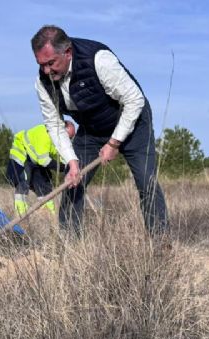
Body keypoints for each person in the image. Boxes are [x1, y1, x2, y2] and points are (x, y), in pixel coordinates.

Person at [31, 25, 168, 236]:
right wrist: (72, 161)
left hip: (132, 120)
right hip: (92, 129)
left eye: (51, 63)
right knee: (72, 182)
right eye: (41, 65)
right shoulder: (43, 83)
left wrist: (114, 143)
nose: (47, 71)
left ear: (67, 52)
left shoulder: (98, 60)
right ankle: (70, 247)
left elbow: (134, 100)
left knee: (145, 181)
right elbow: (54, 125)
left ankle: (161, 244)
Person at [6, 121, 76, 217]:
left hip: (35, 160)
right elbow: (44, 161)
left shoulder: (56, 140)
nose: (68, 141)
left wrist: (72, 165)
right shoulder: (44, 133)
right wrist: (63, 168)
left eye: (70, 138)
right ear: (61, 132)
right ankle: (20, 216)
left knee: (45, 186)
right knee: (23, 183)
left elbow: (61, 156)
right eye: (68, 137)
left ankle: (49, 217)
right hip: (23, 155)